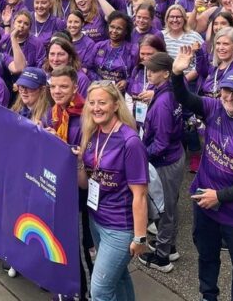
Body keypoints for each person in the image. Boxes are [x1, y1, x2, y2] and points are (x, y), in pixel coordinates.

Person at [171, 50, 233, 301]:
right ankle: (208, 295)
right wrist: (176, 73)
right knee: (206, 256)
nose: (229, 97)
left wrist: (220, 196)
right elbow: (184, 97)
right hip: (204, 203)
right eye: (225, 90)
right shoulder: (214, 107)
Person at [75, 81, 149, 301]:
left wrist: (140, 238)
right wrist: (79, 162)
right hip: (96, 220)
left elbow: (140, 195)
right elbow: (85, 184)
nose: (96, 108)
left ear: (116, 104)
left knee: (99, 291)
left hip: (120, 227)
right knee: (119, 278)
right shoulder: (92, 133)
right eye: (92, 102)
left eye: (102, 103)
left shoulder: (130, 142)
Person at [136, 52, 185, 274]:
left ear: (166, 73)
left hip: (165, 161)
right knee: (170, 203)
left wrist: (141, 155)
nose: (149, 73)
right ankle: (170, 246)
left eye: (154, 71)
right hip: (174, 156)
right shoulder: (169, 89)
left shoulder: (164, 102)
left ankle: (163, 257)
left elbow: (161, 143)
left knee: (165, 208)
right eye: (148, 69)